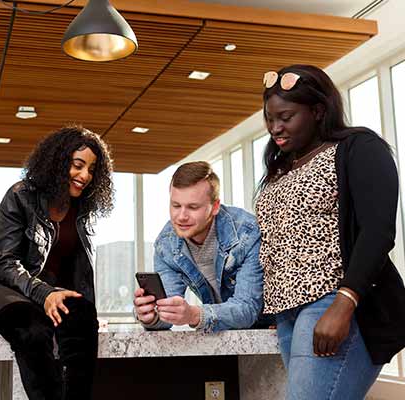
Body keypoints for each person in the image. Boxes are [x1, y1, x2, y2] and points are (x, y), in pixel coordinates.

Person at [256, 64, 405, 399]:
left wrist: (344, 303)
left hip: (331, 303)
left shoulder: (358, 147)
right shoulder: (281, 167)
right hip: (287, 314)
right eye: (269, 117)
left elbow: (378, 230)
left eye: (286, 116)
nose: (275, 127)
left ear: (318, 110)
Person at [0, 125, 114, 400]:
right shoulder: (20, 195)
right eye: (77, 165)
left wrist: (86, 315)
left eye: (91, 170)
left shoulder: (83, 210)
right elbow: (5, 263)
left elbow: (78, 273)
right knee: (32, 327)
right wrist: (44, 293)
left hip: (41, 293)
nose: (84, 176)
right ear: (58, 162)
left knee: (83, 315)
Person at [133, 161, 263, 332]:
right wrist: (152, 316)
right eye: (176, 205)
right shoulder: (166, 244)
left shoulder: (247, 232)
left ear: (215, 207)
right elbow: (169, 309)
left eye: (193, 207)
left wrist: (193, 315)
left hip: (269, 328)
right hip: (224, 333)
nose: (181, 216)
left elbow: (247, 309)